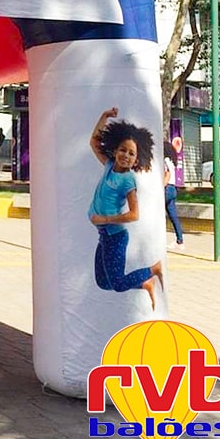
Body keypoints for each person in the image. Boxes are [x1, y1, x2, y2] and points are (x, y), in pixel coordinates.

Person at [88, 108, 163, 309]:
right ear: (115, 151)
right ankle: (146, 284)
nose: (126, 156)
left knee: (119, 284)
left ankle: (153, 269)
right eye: (123, 150)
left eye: (131, 154)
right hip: (104, 234)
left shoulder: (128, 180)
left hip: (115, 237)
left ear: (136, 160)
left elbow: (134, 214)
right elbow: (94, 142)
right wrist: (104, 117)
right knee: (103, 283)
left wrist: (104, 219)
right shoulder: (109, 166)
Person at [164, 141, 184, 251]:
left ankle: (158, 239)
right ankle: (180, 241)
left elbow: (167, 173)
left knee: (157, 213)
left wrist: (161, 186)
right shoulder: (172, 161)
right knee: (173, 216)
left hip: (166, 188)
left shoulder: (164, 160)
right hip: (173, 188)